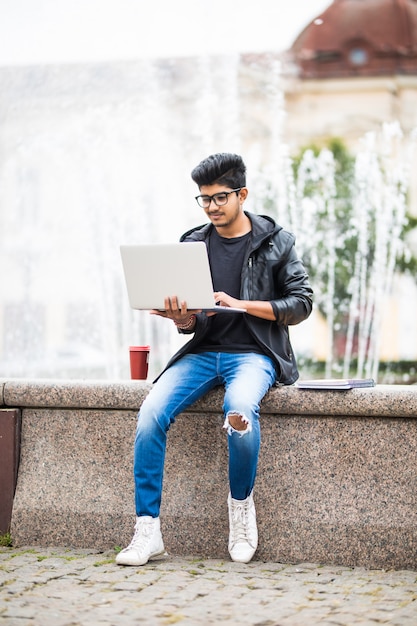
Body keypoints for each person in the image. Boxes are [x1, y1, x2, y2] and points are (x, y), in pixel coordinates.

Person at [116, 152, 313, 566]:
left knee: (239, 410)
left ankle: (240, 511)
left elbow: (301, 304)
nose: (211, 207)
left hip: (254, 355)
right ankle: (147, 529)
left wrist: (242, 304)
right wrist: (181, 317)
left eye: (220, 197)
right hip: (203, 355)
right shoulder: (192, 243)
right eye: (204, 199)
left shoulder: (278, 241)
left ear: (242, 194)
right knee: (151, 412)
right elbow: (193, 322)